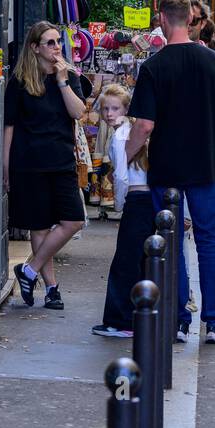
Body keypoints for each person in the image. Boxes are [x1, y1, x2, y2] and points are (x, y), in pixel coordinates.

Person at [127, 0, 215, 345]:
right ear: (190, 18)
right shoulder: (214, 62)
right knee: (209, 242)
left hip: (166, 167)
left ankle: (178, 320)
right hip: (204, 166)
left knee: (170, 244)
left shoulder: (153, 67)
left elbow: (144, 125)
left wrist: (125, 157)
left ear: (161, 18)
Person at [5, 21, 89, 311]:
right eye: (50, 43)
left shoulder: (68, 76)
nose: (56, 48)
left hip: (62, 160)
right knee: (39, 226)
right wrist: (5, 167)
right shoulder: (20, 81)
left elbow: (78, 112)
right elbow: (9, 127)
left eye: (58, 42)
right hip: (29, 163)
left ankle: (28, 270)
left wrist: (63, 81)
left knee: (73, 220)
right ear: (35, 47)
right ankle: (51, 288)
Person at [92, 85, 151, 339]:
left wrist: (119, 204)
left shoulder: (119, 136)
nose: (109, 114)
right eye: (105, 109)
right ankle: (136, 317)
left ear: (126, 109)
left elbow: (121, 177)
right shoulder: (132, 131)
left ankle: (120, 321)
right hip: (148, 198)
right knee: (140, 261)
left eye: (115, 108)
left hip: (136, 199)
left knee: (125, 263)